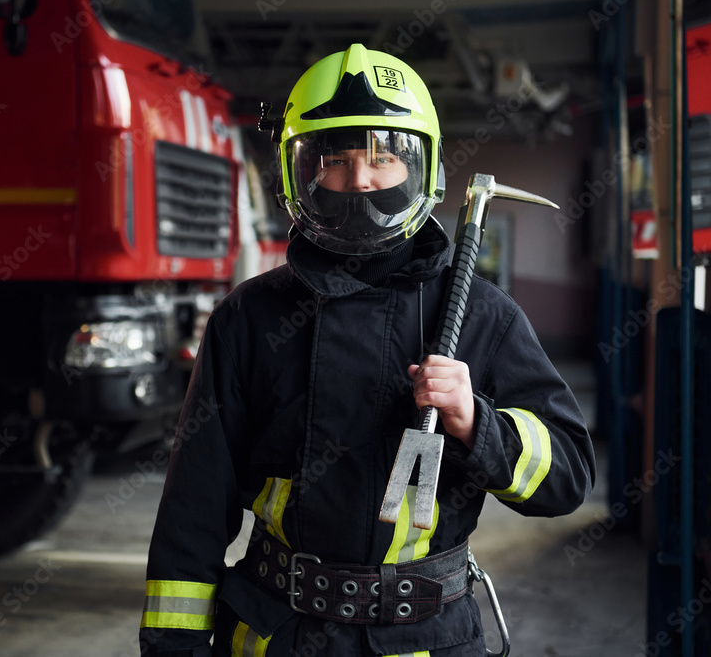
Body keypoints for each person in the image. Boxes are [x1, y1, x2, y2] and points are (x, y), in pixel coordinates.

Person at [139, 43, 595, 657]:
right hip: (276, 634)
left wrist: (476, 422)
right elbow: (192, 513)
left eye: (384, 158)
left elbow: (567, 476)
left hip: (425, 638)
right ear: (297, 172)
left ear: (424, 171)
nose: (360, 180)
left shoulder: (480, 317)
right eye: (335, 159)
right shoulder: (248, 319)